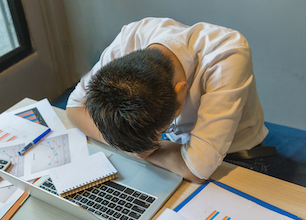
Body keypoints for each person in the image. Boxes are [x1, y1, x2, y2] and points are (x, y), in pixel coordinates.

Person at [66, 17, 269, 183]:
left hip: (234, 154)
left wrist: (140, 148)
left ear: (181, 91)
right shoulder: (131, 38)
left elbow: (196, 170)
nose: (155, 138)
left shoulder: (227, 55)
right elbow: (75, 108)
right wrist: (132, 147)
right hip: (173, 149)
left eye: (160, 130)